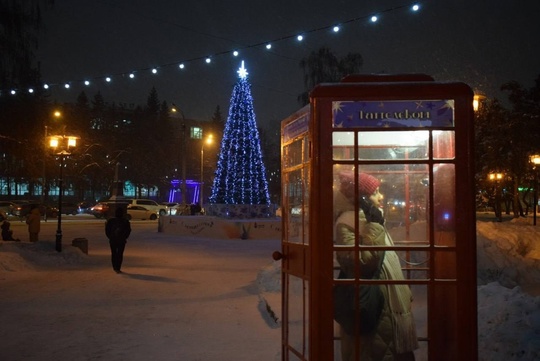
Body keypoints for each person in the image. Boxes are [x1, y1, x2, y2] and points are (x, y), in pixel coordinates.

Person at [335, 171, 418, 361]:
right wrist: (375, 226)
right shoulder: (347, 223)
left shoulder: (373, 219)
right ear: (361, 197)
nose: (381, 197)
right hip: (374, 308)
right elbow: (360, 262)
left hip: (390, 307)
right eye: (375, 193)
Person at [105, 207, 131, 273]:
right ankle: (118, 267)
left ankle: (115, 267)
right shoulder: (125, 221)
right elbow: (128, 231)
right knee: (120, 254)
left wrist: (110, 237)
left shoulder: (111, 221)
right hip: (121, 240)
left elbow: (107, 230)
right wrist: (124, 237)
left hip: (113, 240)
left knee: (114, 253)